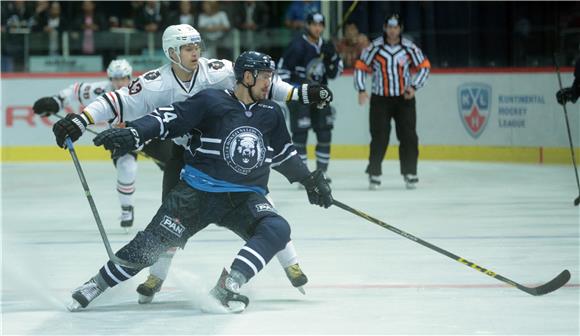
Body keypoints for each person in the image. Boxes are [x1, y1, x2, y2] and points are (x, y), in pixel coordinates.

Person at [51, 24, 333, 305]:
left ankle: (254, 274)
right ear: (172, 52)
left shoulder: (224, 75)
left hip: (239, 185)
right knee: (157, 238)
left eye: (197, 46)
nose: (195, 52)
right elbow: (152, 113)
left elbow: (277, 123)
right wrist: (91, 121)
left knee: (275, 225)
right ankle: (120, 280)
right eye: (188, 48)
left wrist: (309, 173)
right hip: (194, 172)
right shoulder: (164, 85)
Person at [33, 59, 167, 230]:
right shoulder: (99, 91)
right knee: (126, 168)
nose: (119, 83)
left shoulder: (142, 88)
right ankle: (127, 208)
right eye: (115, 79)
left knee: (175, 167)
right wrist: (55, 101)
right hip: (121, 137)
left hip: (150, 134)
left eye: (123, 78)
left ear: (130, 76)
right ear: (109, 78)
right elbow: (74, 91)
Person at [354, 13, 430, 190]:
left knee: (409, 136)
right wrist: (361, 89)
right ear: (385, 28)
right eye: (389, 27)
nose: (392, 31)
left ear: (400, 28)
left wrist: (414, 86)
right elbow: (360, 67)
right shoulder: (375, 47)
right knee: (379, 136)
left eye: (396, 27)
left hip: (404, 99)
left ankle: (410, 172)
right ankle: (374, 173)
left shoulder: (409, 48)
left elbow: (424, 67)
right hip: (381, 99)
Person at [278, 12, 343, 182]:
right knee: (300, 134)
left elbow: (335, 74)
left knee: (324, 132)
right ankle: (304, 175)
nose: (317, 28)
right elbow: (282, 71)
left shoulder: (326, 46)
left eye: (321, 25)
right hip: (300, 97)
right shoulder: (297, 46)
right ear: (307, 25)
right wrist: (296, 90)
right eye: (314, 24)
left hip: (320, 96)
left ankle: (322, 172)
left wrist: (333, 57)